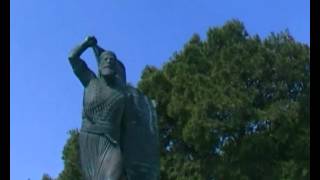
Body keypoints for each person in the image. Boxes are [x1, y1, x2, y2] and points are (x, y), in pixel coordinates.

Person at [68, 36, 126, 180]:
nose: (109, 61)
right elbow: (72, 57)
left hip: (112, 142)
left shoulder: (121, 93)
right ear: (99, 65)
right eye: (105, 59)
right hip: (90, 139)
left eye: (112, 60)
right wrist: (85, 44)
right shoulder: (90, 81)